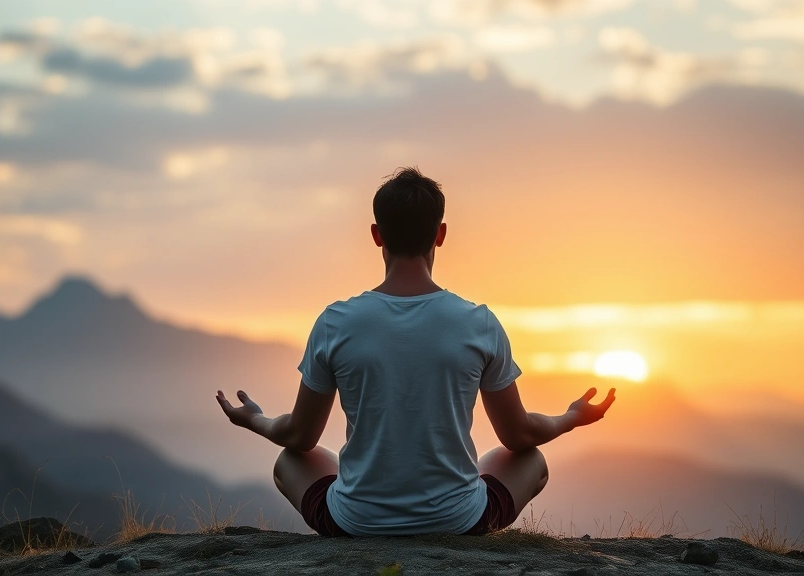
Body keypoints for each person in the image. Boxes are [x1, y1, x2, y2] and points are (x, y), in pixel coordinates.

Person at [216, 167, 616, 536]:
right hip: (460, 524)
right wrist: (569, 418)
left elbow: (300, 437)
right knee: (531, 461)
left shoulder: (335, 322)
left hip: (355, 525)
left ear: (377, 235)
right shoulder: (478, 323)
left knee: (289, 461)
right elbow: (518, 435)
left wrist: (256, 420)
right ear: (440, 234)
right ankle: (450, 497)